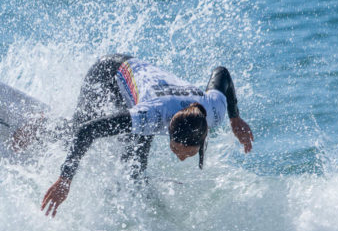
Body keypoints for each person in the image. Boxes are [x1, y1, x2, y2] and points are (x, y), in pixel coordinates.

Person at [40, 54, 254, 217]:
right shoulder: (151, 116)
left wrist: (235, 118)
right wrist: (65, 179)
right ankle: (39, 127)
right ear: (168, 129)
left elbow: (222, 72)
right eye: (177, 150)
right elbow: (87, 130)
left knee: (132, 174)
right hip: (111, 72)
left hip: (146, 94)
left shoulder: (213, 111)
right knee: (76, 133)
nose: (180, 157)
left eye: (188, 153)